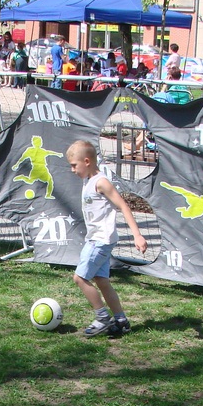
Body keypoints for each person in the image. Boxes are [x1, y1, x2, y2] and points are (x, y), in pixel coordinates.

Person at [65, 140, 148, 337]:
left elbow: (124, 206)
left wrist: (137, 235)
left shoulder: (101, 182)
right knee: (101, 279)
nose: (72, 170)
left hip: (100, 240)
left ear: (87, 161)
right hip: (96, 238)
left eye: (74, 165)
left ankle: (102, 318)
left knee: (80, 278)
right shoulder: (88, 180)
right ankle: (121, 320)